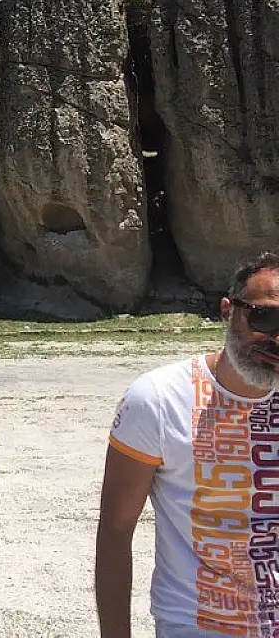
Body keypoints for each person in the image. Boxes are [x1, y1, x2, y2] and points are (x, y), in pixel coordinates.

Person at [97, 252, 279, 638]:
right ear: (227, 312)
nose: (276, 339)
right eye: (264, 317)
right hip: (198, 626)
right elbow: (116, 530)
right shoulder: (158, 399)